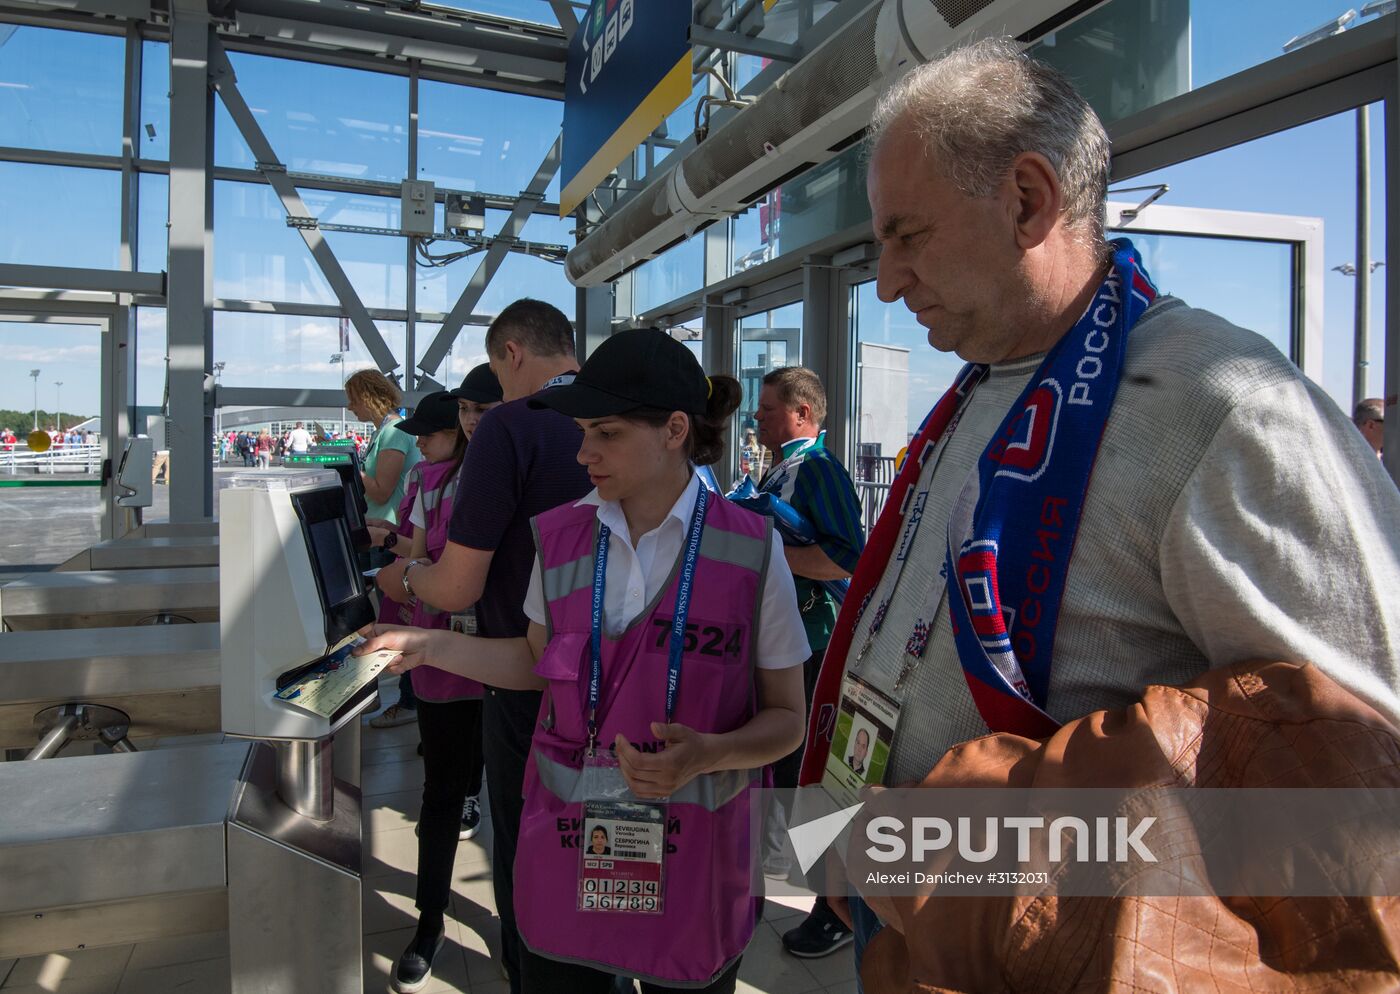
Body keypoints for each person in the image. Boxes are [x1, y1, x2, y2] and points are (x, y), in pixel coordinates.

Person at [795, 37, 1400, 977]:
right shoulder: (980, 384)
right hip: (914, 903)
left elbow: (1356, 771)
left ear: (1028, 200)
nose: (885, 279)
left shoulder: (1224, 407)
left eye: (906, 234)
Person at [357, 327, 811, 993]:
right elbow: (537, 662)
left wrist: (706, 754)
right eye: (582, 431)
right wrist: (425, 644)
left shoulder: (753, 552)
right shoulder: (564, 538)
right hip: (575, 855)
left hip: (698, 870)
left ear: (675, 430)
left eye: (606, 433)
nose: (583, 452)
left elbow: (787, 719)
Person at [370, 299, 592, 993]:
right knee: (600, 867)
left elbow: (458, 588)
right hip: (626, 685)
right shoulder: (624, 420)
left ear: (511, 355)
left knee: (529, 859)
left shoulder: (512, 428)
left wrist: (403, 576)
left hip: (527, 681)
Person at [374, 382, 499, 983]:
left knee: (517, 800)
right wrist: (411, 576)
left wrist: (412, 576)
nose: (423, 440)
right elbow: (421, 560)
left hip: (507, 659)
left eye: (480, 412)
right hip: (444, 658)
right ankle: (430, 917)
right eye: (465, 413)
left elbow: (421, 568)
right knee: (442, 792)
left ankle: (523, 929)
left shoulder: (508, 473)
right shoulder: (427, 483)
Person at [742, 367, 866, 955]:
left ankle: (835, 908)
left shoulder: (818, 470)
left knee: (816, 769)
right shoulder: (784, 468)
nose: (758, 417)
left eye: (768, 409)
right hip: (792, 639)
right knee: (791, 764)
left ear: (802, 414)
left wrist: (772, 555)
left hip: (817, 641)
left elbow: (848, 558)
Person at [348, 369, 423, 730]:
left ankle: (408, 701)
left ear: (367, 396)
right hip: (381, 535)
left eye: (353, 399)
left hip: (390, 539)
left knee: (393, 620)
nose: (350, 407)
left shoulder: (393, 433)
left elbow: (379, 491)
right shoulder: (386, 432)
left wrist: (348, 466)